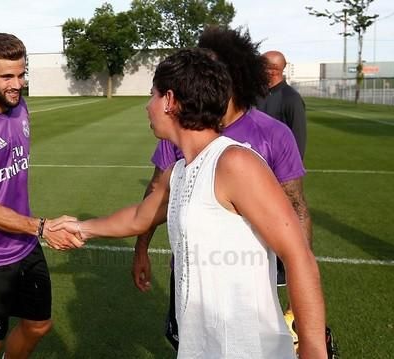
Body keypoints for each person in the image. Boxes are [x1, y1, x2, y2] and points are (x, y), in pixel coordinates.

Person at [52, 48, 326, 358]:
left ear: (169, 100)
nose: (147, 106)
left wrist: (313, 347)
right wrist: (81, 228)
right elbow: (140, 217)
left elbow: (298, 255)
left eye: (151, 95)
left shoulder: (234, 162)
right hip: (200, 344)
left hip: (248, 348)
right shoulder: (179, 170)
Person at [131, 26, 314, 352]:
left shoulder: (272, 134)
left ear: (233, 75)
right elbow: (157, 194)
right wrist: (141, 248)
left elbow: (296, 207)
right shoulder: (182, 128)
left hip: (246, 278)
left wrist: (298, 280)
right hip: (187, 273)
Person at [0, 33, 82, 358]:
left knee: (38, 324)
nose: (17, 84)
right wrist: (42, 227)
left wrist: (34, 231)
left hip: (24, 244)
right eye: (7, 76)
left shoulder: (20, 107)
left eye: (21, 75)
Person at [258, 50, 307, 158]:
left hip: (277, 165)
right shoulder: (254, 95)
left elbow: (298, 138)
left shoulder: (291, 98)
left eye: (261, 66)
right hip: (254, 162)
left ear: (273, 70)